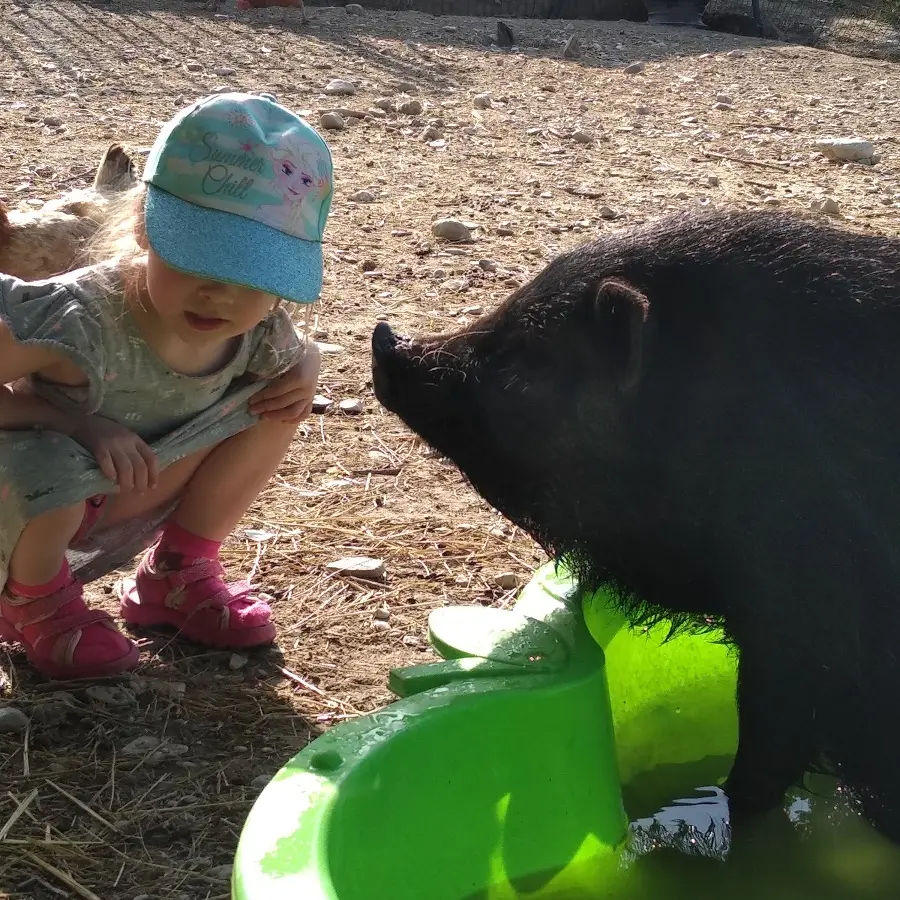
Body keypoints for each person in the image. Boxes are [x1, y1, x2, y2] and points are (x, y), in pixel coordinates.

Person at [0, 91, 333, 680]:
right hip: (26, 514)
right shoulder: (76, 319)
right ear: (143, 230)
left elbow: (285, 357)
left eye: (253, 275)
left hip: (121, 492)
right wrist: (69, 421)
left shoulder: (256, 329)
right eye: (194, 262)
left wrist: (302, 362)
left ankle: (177, 572)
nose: (220, 295)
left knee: (273, 400)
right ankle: (28, 601)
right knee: (42, 457)